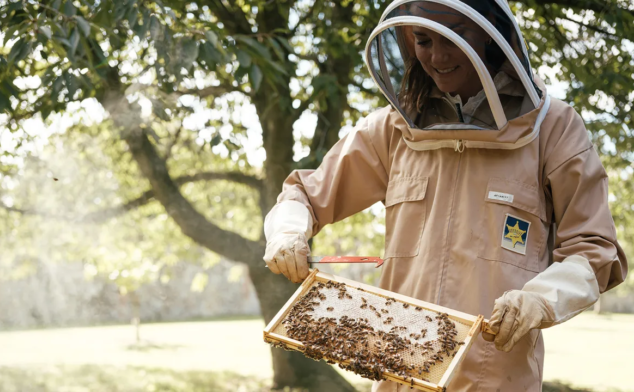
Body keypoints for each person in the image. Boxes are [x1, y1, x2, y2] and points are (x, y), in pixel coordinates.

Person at [262, 0, 629, 390]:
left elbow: (593, 251)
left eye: (454, 38)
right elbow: (303, 193)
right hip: (397, 374)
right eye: (423, 40)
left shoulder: (553, 129)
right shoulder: (391, 130)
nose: (437, 56)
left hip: (496, 378)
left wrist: (540, 300)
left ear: (489, 36)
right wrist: (288, 231)